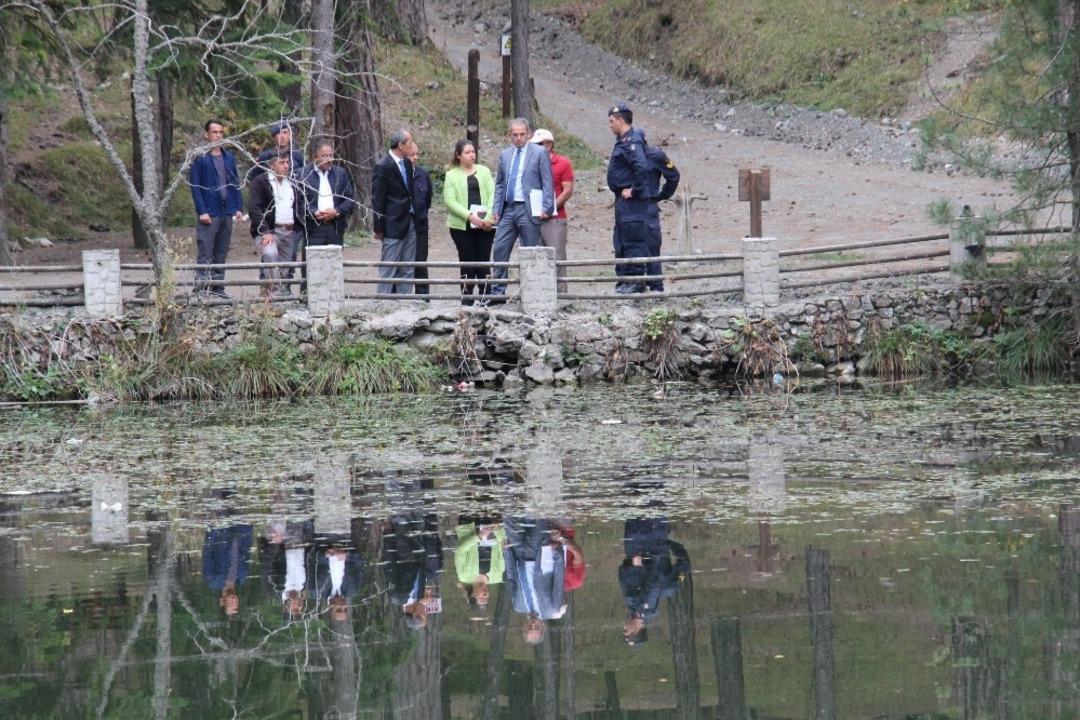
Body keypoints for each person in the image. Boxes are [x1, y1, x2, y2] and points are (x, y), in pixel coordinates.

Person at [489, 118, 555, 299]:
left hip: (529, 208)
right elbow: (500, 184)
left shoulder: (539, 152)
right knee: (500, 248)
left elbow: (547, 181)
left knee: (530, 250)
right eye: (514, 134)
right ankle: (498, 292)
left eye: (522, 134)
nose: (518, 138)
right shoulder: (505, 155)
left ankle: (530, 292)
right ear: (509, 135)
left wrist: (547, 207)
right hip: (508, 209)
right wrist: (496, 208)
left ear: (529, 134)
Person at [189, 119, 244, 297]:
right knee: (205, 251)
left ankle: (218, 289)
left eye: (221, 132)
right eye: (214, 132)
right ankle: (200, 290)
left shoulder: (229, 157)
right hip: (209, 213)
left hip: (226, 211)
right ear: (206, 135)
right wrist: (201, 211)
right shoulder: (199, 157)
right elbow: (195, 186)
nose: (218, 135)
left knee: (221, 251)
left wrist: (237, 207)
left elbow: (235, 184)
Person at [619, 517, 690, 645]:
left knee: (632, 503)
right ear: (635, 630)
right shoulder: (647, 608)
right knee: (651, 505)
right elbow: (654, 584)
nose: (625, 627)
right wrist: (644, 564)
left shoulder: (635, 609)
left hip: (636, 544)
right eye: (626, 631)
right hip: (647, 542)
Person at [606, 103, 653, 294]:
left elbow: (641, 167)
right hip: (622, 201)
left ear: (620, 120)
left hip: (632, 202)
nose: (609, 125)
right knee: (621, 239)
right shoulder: (623, 141)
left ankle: (635, 280)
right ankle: (625, 279)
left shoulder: (632, 141)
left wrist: (634, 190)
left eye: (611, 122)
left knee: (633, 239)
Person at [443, 139, 496, 305]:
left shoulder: (484, 171)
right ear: (458, 155)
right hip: (461, 226)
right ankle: (466, 295)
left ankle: (486, 294)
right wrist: (469, 216)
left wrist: (487, 218)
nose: (471, 155)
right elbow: (450, 201)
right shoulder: (451, 175)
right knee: (467, 259)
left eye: (473, 151)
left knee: (483, 259)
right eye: (467, 152)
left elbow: (492, 195)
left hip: (485, 225)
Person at [502, 516, 566, 645]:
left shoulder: (518, 606)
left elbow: (512, 578)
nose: (532, 624)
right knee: (538, 515)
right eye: (536, 627)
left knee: (508, 516)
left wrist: (506, 553)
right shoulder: (553, 609)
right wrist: (558, 552)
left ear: (523, 627)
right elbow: (559, 578)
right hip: (539, 553)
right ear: (543, 626)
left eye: (529, 628)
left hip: (518, 554)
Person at [371, 129, 419, 295]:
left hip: (410, 220)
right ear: (400, 145)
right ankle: (383, 304)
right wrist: (378, 228)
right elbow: (377, 200)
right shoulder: (383, 166)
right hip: (392, 223)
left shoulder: (406, 162)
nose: (413, 146)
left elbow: (409, 192)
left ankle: (404, 304)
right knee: (389, 267)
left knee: (407, 266)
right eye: (410, 143)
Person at [247, 152, 300, 297]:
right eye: (282, 163)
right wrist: (265, 231)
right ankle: (272, 293)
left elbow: (297, 205)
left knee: (285, 267)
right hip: (269, 230)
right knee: (270, 254)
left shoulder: (292, 182)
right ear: (271, 165)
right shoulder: (260, 182)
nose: (286, 166)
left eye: (287, 163)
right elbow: (254, 208)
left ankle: (275, 296)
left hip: (289, 230)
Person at [532, 129, 575, 294]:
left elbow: (567, 191)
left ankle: (561, 297)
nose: (536, 147)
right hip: (534, 217)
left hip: (556, 218)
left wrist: (550, 208)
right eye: (534, 145)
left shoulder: (563, 163)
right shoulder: (531, 163)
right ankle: (539, 296)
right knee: (535, 258)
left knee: (557, 258)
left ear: (549, 145)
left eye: (539, 144)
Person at [298, 139, 356, 247]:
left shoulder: (340, 173)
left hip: (335, 228)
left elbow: (349, 198)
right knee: (313, 262)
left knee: (334, 262)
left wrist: (337, 211)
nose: (329, 159)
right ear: (315, 157)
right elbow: (298, 201)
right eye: (324, 156)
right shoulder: (302, 174)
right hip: (313, 229)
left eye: (331, 155)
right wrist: (313, 212)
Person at [642, 137, 680, 292]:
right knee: (628, 248)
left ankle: (656, 286)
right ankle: (635, 284)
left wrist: (662, 195)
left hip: (649, 205)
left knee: (652, 247)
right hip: (628, 207)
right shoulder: (623, 153)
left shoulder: (655, 155)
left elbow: (673, 175)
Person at [455, 519, 506, 611]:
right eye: (486, 598)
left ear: (473, 595)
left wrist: (479, 537)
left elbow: (460, 551)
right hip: (493, 526)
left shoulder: (463, 576)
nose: (485, 595)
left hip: (469, 526)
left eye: (481, 598)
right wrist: (497, 529)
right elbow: (502, 551)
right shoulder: (497, 577)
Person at [406, 142, 433, 296]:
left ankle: (423, 298)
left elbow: (427, 200)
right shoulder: (396, 174)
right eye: (412, 155)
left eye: (417, 154)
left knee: (420, 261)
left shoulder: (423, 174)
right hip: (401, 224)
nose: (415, 158)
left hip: (420, 225)